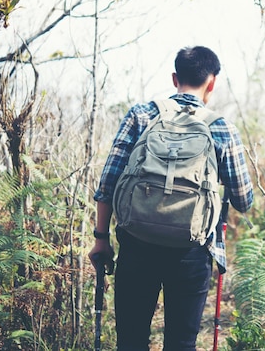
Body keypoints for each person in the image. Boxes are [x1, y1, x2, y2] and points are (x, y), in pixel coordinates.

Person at [89, 46, 254, 350]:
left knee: (131, 340)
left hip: (136, 243)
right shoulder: (220, 127)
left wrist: (101, 238)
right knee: (181, 342)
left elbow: (108, 183)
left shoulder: (141, 114)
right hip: (191, 252)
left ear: (175, 77)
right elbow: (244, 200)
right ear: (212, 82)